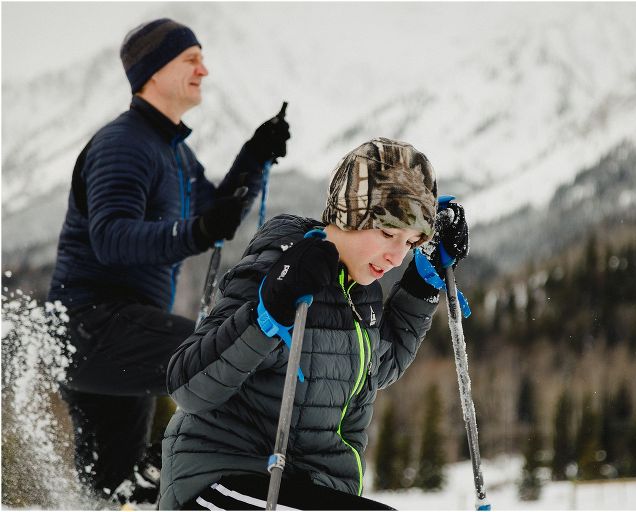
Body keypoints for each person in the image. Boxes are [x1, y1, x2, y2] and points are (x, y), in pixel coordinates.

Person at [46, 18, 290, 504]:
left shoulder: (175, 155)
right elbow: (112, 238)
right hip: (93, 325)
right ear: (153, 71)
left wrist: (254, 156)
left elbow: (215, 215)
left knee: (109, 494)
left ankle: (136, 483)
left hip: (119, 335)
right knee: (227, 358)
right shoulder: (124, 145)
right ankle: (185, 467)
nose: (204, 69)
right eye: (190, 59)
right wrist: (198, 230)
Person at [159, 137, 470, 510]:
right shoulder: (280, 265)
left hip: (309, 488)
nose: (395, 255)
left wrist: (421, 285)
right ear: (350, 213)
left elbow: (378, 367)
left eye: (410, 242)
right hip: (224, 481)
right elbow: (188, 387)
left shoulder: (361, 287)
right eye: (388, 233)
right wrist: (268, 311)